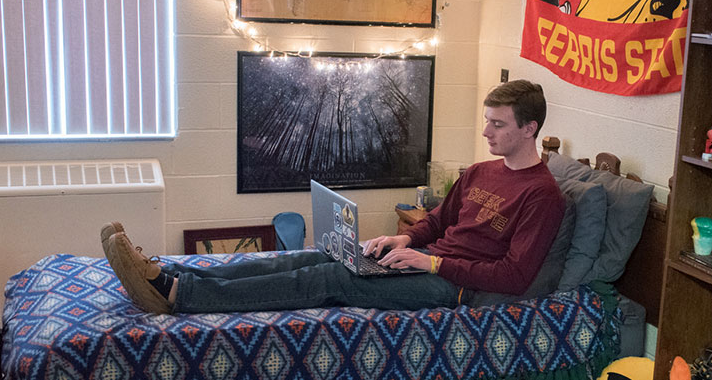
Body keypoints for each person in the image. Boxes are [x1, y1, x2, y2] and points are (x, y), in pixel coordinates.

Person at [103, 79, 565, 314]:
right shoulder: (481, 171)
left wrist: (434, 263)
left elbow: (516, 276)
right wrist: (405, 241)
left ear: (530, 129)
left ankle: (178, 296)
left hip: (457, 288)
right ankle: (168, 272)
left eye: (498, 124)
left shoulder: (542, 195)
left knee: (334, 281)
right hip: (427, 260)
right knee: (310, 258)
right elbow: (437, 222)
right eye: (485, 120)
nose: (485, 131)